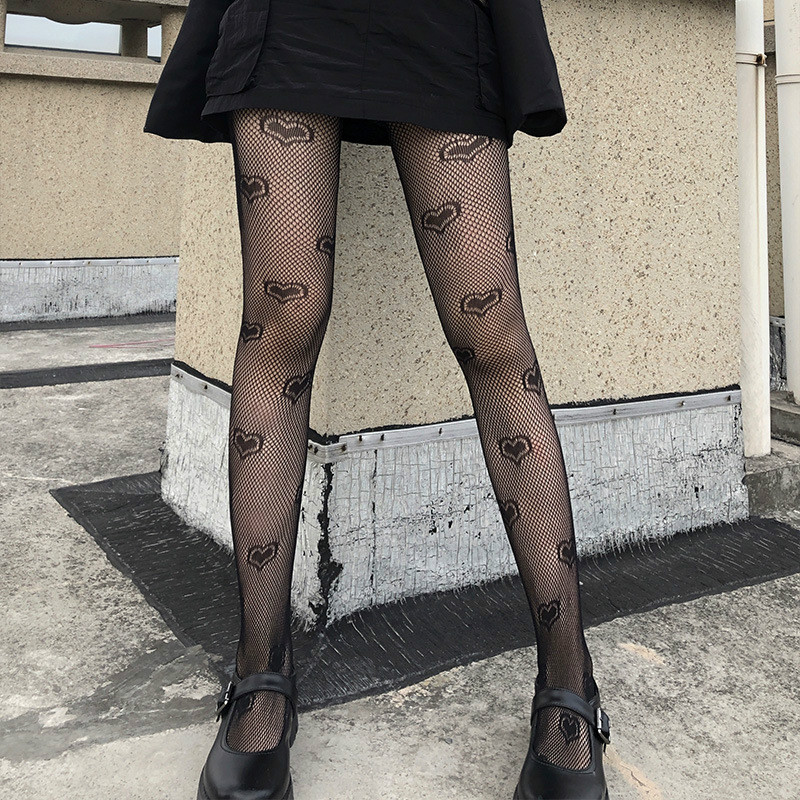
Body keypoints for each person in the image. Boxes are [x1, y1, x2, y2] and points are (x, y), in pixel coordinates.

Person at [144, 0, 611, 798]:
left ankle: (569, 681)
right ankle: (260, 675)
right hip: (291, 23)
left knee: (492, 334)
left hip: (440, 20)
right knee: (281, 324)